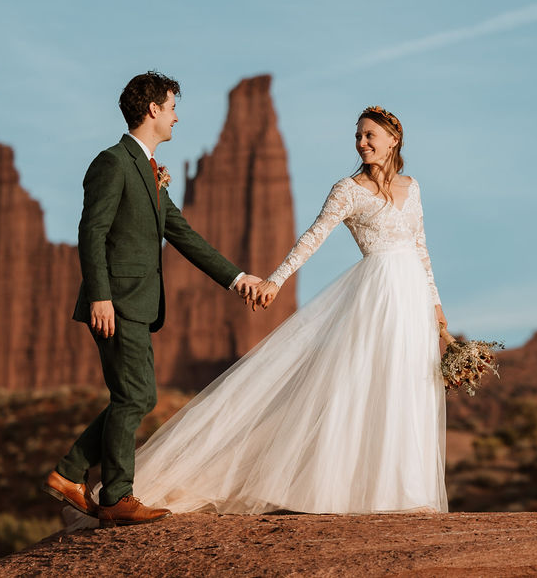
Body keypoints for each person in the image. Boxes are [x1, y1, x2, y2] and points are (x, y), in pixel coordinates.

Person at [67, 104, 449, 521]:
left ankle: (407, 489)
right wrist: (273, 281)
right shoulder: (348, 189)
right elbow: (312, 237)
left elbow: (422, 249)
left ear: (393, 139)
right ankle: (363, 491)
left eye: (369, 136)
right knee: (369, 386)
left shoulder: (413, 188)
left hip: (412, 296)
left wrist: (438, 312)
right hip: (376, 296)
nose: (361, 143)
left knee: (410, 385)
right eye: (358, 135)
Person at [43, 71, 262, 527]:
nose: (177, 117)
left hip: (136, 303)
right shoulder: (113, 162)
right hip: (117, 303)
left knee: (137, 396)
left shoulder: (149, 172)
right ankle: (116, 495)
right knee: (135, 396)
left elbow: (183, 235)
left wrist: (237, 277)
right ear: (152, 110)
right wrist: (100, 296)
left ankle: (68, 473)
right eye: (172, 107)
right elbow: (92, 232)